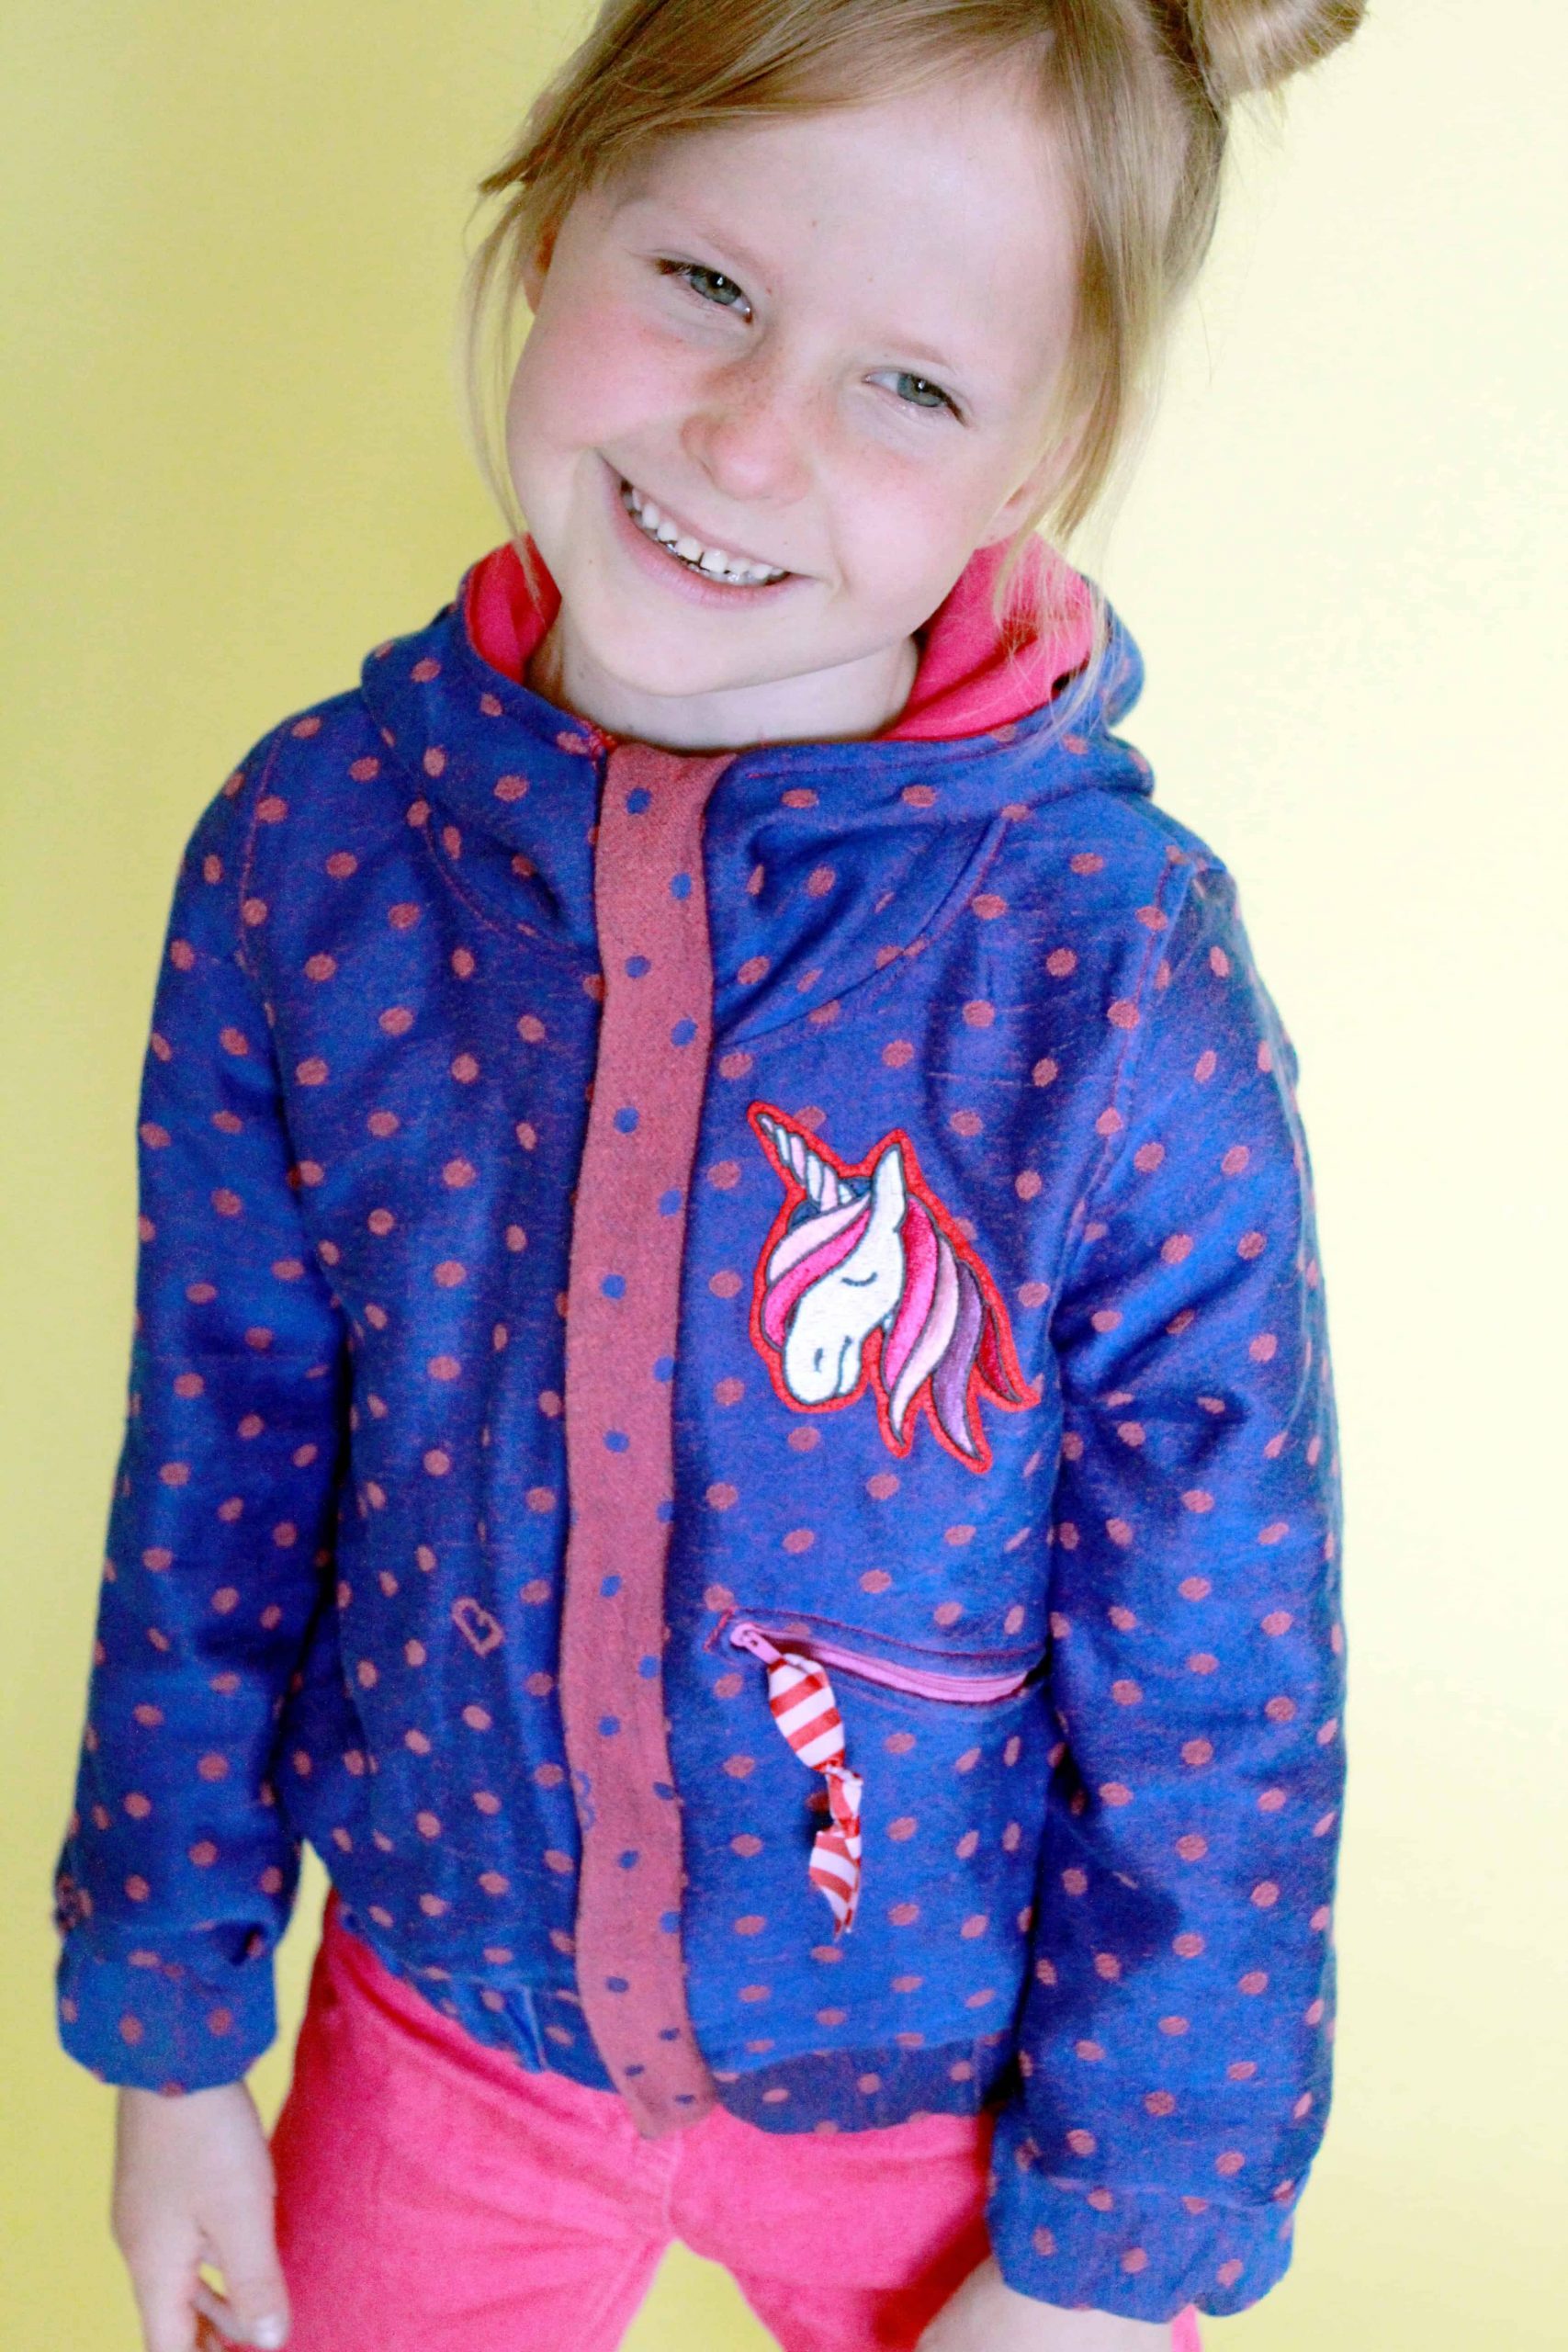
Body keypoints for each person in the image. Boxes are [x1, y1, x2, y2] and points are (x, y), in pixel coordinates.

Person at [51, 3, 1363, 2346]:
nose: (749, 438)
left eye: (910, 385)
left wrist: (1102, 2253)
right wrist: (171, 2035)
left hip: (958, 2118)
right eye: (703, 284)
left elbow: (1217, 1676)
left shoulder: (1108, 977)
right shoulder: (306, 855)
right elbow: (214, 1471)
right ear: (556, 204)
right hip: (442, 2024)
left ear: (1045, 450)